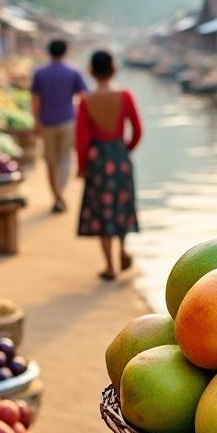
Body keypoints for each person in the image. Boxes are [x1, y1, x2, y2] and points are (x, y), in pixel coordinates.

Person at [76, 50, 141, 281]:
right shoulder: (125, 96)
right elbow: (137, 130)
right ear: (114, 69)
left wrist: (82, 167)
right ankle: (123, 248)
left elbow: (82, 140)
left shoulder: (85, 101)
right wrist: (125, 150)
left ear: (91, 71)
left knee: (103, 212)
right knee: (121, 207)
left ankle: (110, 266)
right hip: (119, 157)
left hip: (98, 161)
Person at [30, 39, 88, 212]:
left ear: (49, 52)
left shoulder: (40, 73)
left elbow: (35, 100)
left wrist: (36, 121)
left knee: (50, 161)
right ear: (66, 52)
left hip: (47, 122)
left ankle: (57, 197)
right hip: (67, 121)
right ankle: (59, 195)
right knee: (64, 160)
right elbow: (83, 97)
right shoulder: (73, 72)